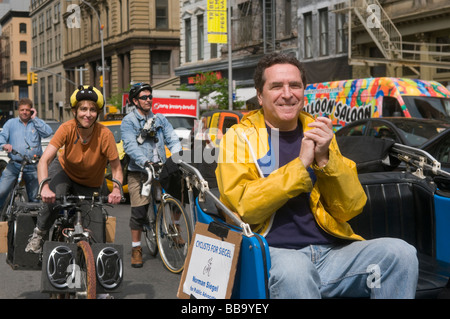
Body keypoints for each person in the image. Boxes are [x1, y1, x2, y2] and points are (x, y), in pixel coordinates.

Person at [215, 52, 419, 298]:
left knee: (401, 253)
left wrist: (325, 160)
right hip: (274, 253)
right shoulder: (238, 138)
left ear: (304, 92)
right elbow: (245, 207)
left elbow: (351, 208)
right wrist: (300, 166)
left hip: (331, 252)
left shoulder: (319, 131)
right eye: (276, 86)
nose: (287, 93)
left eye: (295, 85)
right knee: (296, 270)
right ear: (260, 95)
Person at [25, 85, 123, 253]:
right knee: (54, 198)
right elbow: (44, 161)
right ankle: (39, 234)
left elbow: (116, 168)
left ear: (97, 112)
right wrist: (45, 187)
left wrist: (116, 189)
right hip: (65, 172)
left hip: (91, 183)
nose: (88, 114)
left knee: (98, 239)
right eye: (83, 109)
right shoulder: (67, 128)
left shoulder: (105, 134)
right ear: (75, 111)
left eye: (92, 109)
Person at [121, 82, 182, 268]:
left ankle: (175, 226)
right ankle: (136, 248)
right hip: (140, 171)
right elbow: (130, 145)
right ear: (134, 101)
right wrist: (145, 162)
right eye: (144, 97)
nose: (148, 100)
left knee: (177, 195)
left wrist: (178, 156)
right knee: (139, 211)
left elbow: (172, 138)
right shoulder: (128, 121)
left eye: (150, 97)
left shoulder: (160, 119)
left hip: (161, 167)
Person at [0, 98, 53, 207]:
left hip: (33, 166)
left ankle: (33, 222)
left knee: (35, 198)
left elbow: (48, 132)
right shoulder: (10, 123)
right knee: (2, 191)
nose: (24, 112)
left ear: (32, 111)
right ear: (18, 111)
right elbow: (2, 138)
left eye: (27, 110)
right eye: (22, 110)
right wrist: (4, 145)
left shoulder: (36, 123)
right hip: (14, 165)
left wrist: (35, 118)